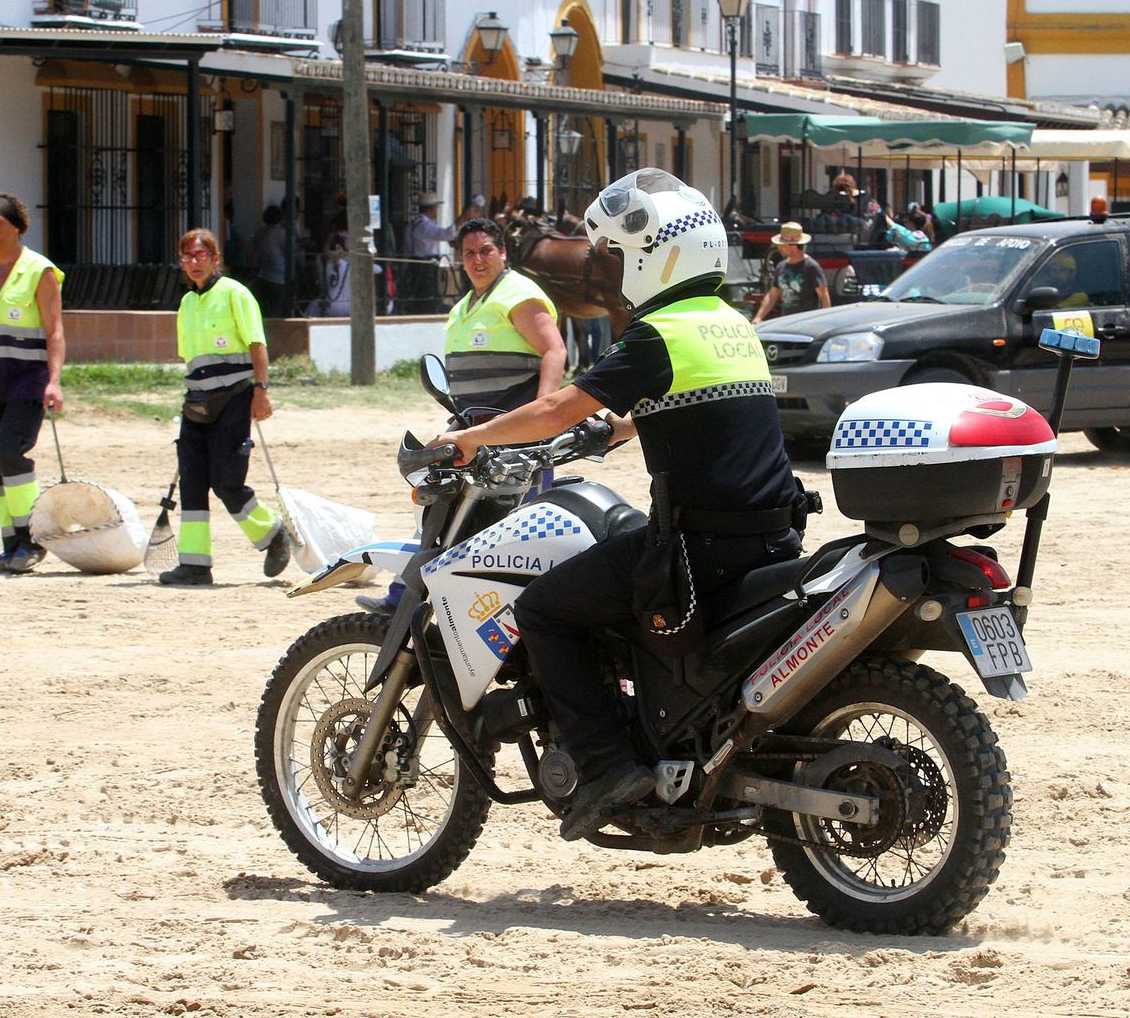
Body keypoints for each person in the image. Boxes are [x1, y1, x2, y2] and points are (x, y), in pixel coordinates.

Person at [431, 169, 804, 841]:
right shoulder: (728, 325)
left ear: (654, 257)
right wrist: (623, 427)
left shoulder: (656, 333)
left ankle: (605, 767)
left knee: (543, 606)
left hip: (699, 549)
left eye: (615, 253)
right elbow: (702, 402)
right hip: (772, 534)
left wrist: (467, 438)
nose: (607, 265)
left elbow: (552, 409)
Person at [355, 216, 566, 616]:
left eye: (486, 250)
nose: (477, 259)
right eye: (469, 252)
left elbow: (553, 351)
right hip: (473, 431)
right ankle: (406, 599)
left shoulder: (518, 294)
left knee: (517, 531)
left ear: (503, 253)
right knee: (436, 509)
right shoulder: (464, 307)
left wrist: (544, 415)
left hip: (513, 435)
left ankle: (432, 605)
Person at [159, 227, 291, 587]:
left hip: (235, 399)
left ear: (216, 259)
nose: (194, 263)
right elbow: (191, 360)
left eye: (201, 255)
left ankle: (272, 534)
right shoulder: (187, 303)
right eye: (187, 257)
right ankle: (195, 565)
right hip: (196, 404)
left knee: (227, 482)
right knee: (193, 482)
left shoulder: (236, 294)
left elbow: (257, 344)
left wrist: (260, 391)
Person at [0, 194, 66, 575]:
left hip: (29, 377)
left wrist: (54, 381)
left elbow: (54, 330)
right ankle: (11, 545)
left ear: (16, 227)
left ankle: (32, 540)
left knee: (9, 452)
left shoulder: (40, 271)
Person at [402, 192, 475, 315]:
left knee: (424, 292)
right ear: (431, 208)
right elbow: (445, 234)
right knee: (427, 293)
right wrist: (462, 218)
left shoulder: (413, 224)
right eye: (436, 207)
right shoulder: (424, 225)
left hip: (418, 262)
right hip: (425, 264)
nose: (437, 210)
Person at [753, 221, 830, 323]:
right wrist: (758, 317)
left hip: (807, 323)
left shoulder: (811, 267)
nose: (779, 248)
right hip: (787, 322)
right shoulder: (781, 266)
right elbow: (772, 295)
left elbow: (823, 296)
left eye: (782, 245)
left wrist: (826, 321)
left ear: (793, 247)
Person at [250, 205, 291, 318]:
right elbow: (290, 252)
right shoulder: (282, 233)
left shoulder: (260, 232)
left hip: (261, 274)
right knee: (277, 309)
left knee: (264, 308)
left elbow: (253, 251)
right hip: (279, 276)